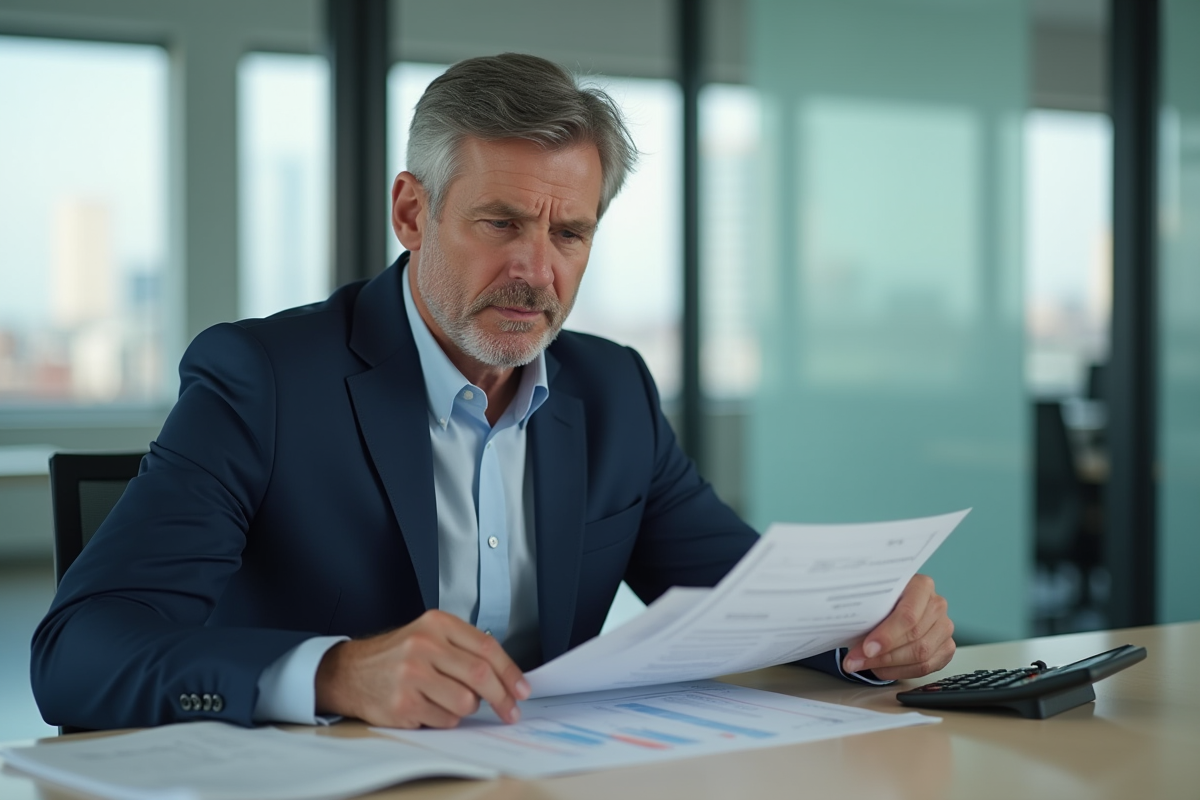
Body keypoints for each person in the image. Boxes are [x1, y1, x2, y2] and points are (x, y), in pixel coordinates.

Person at [32, 53, 954, 732]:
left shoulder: (615, 390)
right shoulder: (262, 380)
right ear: (410, 211)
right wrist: (334, 674)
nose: (535, 271)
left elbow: (746, 598)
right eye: (501, 222)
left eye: (569, 235)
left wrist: (866, 632)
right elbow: (79, 653)